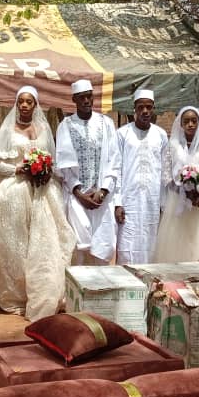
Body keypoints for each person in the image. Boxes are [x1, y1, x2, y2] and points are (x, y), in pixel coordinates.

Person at [0, 86, 75, 320]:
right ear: (16, 104)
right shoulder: (8, 130)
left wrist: (45, 171)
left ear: (35, 105)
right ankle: (16, 293)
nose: (24, 105)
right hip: (14, 192)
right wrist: (18, 169)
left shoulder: (44, 128)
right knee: (16, 245)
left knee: (46, 242)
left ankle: (43, 287)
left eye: (29, 102)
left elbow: (51, 160)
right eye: (21, 101)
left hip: (42, 193)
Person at [55, 79, 121, 265]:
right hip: (76, 198)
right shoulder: (65, 125)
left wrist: (103, 191)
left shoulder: (106, 123)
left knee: (102, 248)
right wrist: (79, 194)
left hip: (101, 198)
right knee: (78, 250)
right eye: (81, 97)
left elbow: (114, 161)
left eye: (89, 97)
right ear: (74, 100)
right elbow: (63, 165)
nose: (86, 101)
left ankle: (100, 290)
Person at [154, 106, 199, 263]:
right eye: (186, 121)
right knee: (177, 244)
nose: (190, 124)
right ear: (181, 124)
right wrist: (184, 190)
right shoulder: (173, 146)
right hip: (178, 201)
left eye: (194, 121)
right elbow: (166, 175)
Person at [113, 89, 169, 265]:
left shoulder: (161, 134)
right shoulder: (122, 134)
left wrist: (164, 204)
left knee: (151, 243)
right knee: (126, 244)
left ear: (153, 109)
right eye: (141, 107)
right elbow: (116, 169)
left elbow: (165, 172)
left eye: (149, 107)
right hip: (128, 201)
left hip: (152, 202)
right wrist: (117, 202)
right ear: (134, 109)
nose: (145, 111)